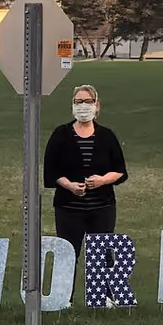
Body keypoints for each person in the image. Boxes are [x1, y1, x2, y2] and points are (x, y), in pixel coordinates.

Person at [43, 84, 128, 259]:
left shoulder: (107, 136)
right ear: (73, 105)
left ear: (97, 105)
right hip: (68, 209)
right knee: (67, 260)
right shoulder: (61, 134)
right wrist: (69, 186)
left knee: (101, 260)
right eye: (79, 101)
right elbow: (51, 169)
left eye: (88, 101)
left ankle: (100, 287)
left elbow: (119, 171)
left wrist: (102, 180)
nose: (83, 105)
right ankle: (67, 288)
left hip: (102, 209)